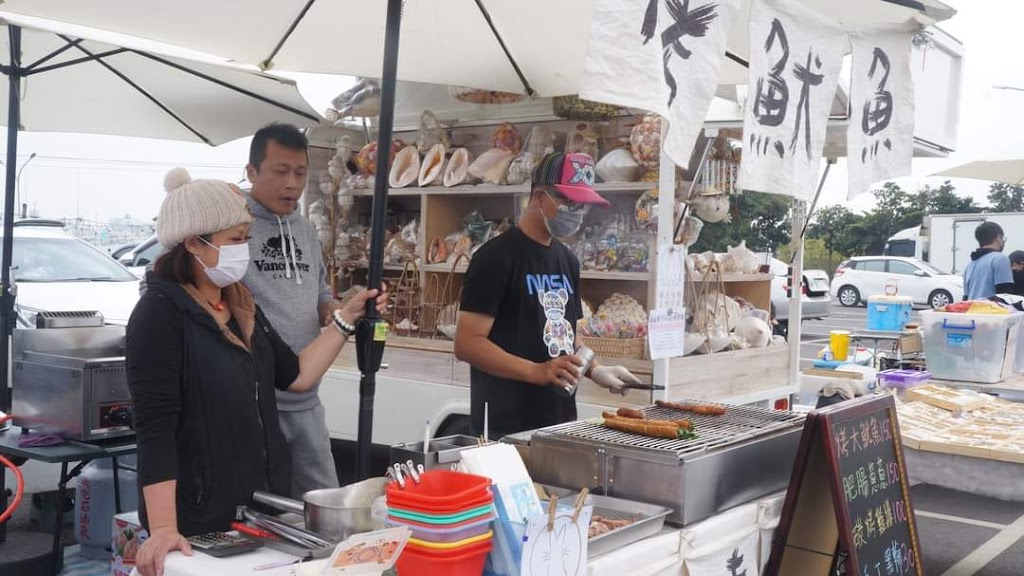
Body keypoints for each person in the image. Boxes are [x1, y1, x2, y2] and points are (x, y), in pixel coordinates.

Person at [127, 168, 385, 576]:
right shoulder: (158, 314)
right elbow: (155, 429)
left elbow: (296, 375)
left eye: (245, 238)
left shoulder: (242, 305)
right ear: (193, 243)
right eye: (234, 240)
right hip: (199, 518)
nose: (243, 250)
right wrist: (162, 528)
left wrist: (345, 320)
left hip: (261, 510)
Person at [454, 152, 642, 439]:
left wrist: (596, 369)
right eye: (570, 202)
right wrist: (535, 371)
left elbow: (567, 334)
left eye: (583, 205)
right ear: (540, 197)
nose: (577, 212)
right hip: (505, 428)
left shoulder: (568, 261)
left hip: (560, 422)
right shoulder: (495, 258)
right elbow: (467, 344)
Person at [243, 123, 346, 497]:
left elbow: (319, 294)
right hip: (254, 399)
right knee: (259, 504)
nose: (292, 184)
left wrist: (338, 311)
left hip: (306, 398)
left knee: (323, 503)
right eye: (280, 171)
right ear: (252, 171)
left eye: (300, 173)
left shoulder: (305, 230)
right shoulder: (234, 227)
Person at [963, 221, 1014, 300]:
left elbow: (965, 298)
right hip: (992, 311)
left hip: (972, 311)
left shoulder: (970, 265)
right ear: (998, 238)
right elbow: (1006, 295)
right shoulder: (1000, 259)